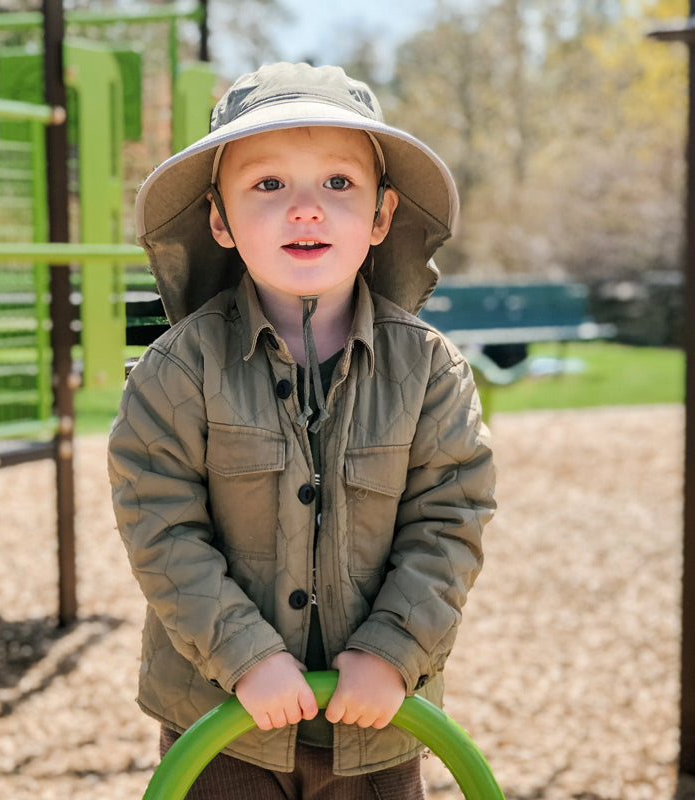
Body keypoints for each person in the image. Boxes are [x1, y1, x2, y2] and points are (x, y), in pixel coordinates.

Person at [108, 61, 496, 799]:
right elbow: (161, 526)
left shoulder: (430, 370)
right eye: (269, 185)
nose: (306, 210)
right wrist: (246, 656)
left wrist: (392, 652)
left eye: (338, 184)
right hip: (223, 722)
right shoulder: (176, 370)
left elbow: (449, 521)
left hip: (377, 725)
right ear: (220, 219)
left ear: (381, 217)